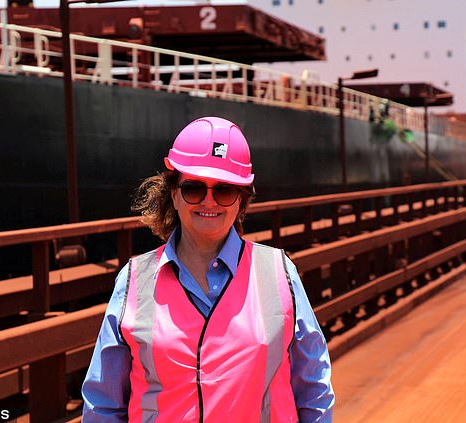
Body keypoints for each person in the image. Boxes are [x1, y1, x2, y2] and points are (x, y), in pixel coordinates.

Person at [81, 116, 334, 422]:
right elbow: (103, 404)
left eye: (225, 190)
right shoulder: (135, 280)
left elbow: (313, 388)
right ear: (173, 195)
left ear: (241, 202)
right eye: (193, 189)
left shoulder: (280, 274)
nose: (209, 201)